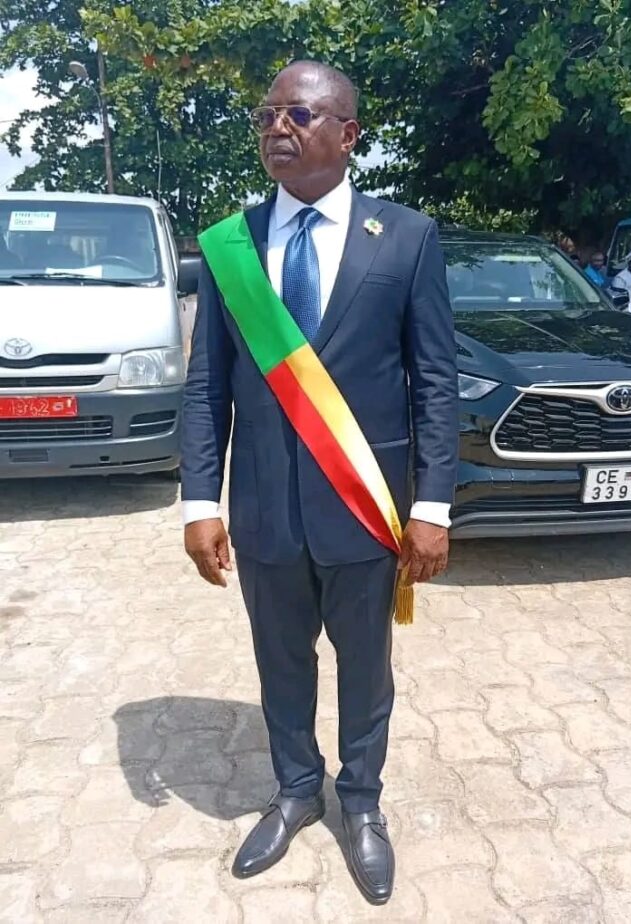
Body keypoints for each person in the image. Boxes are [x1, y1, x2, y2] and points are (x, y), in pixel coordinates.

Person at [180, 61, 458, 905]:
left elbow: (434, 380)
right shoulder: (229, 244)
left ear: (348, 134)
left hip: (365, 509)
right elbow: (206, 385)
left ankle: (361, 801)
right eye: (267, 113)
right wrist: (200, 500)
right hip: (264, 508)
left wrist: (432, 505)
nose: (278, 126)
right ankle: (297, 789)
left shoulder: (405, 237)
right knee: (280, 662)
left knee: (366, 668)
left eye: (299, 114)